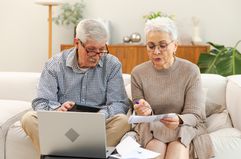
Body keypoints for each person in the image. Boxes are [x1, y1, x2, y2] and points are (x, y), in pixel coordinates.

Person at [21, 19, 131, 156]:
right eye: (91, 50)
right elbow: (41, 101)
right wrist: (57, 110)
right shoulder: (54, 65)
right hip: (62, 125)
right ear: (76, 42)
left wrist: (99, 115)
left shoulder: (112, 64)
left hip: (97, 126)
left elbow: (119, 103)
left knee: (123, 122)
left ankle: (61, 155)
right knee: (28, 118)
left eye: (101, 50)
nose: (96, 56)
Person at [131, 17, 214, 159]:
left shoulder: (190, 70)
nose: (156, 51)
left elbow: (195, 115)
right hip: (152, 128)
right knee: (156, 148)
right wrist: (142, 110)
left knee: (177, 148)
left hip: (184, 126)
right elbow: (139, 109)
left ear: (175, 45)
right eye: (151, 46)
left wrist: (179, 120)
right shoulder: (138, 73)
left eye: (162, 45)